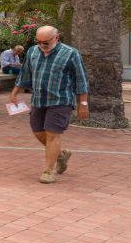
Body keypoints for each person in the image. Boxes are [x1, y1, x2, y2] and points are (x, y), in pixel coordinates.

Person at [10, 25, 89, 184]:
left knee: (53, 135)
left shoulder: (70, 54)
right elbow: (25, 74)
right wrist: (14, 92)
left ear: (56, 38)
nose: (41, 45)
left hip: (60, 101)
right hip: (38, 100)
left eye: (45, 42)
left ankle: (48, 171)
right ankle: (61, 155)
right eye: (38, 42)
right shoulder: (32, 52)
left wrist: (83, 103)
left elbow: (81, 80)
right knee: (38, 132)